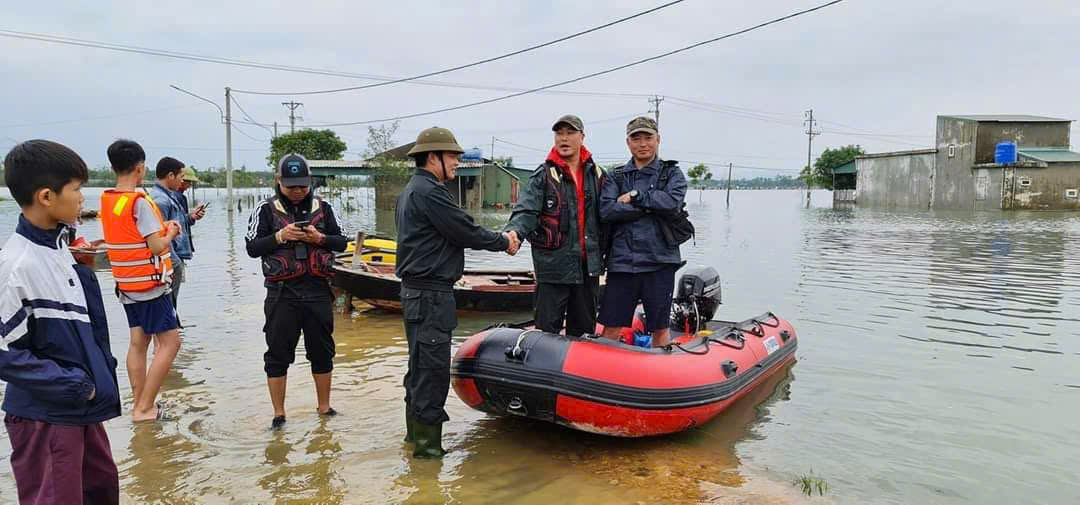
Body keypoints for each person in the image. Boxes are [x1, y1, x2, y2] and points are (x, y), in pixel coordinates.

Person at [1, 140, 121, 504]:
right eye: (77, 189)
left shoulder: (59, 249)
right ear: (46, 196)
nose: (84, 199)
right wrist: (74, 385)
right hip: (49, 415)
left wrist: (84, 269)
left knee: (100, 490)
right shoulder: (17, 264)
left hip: (82, 408)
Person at [395, 127, 517, 458]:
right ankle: (427, 455)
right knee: (431, 374)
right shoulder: (430, 191)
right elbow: (463, 229)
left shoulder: (413, 189)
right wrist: (503, 241)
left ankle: (414, 443)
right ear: (432, 157)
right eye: (453, 156)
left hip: (418, 294)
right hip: (430, 296)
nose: (458, 162)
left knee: (419, 369)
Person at [245, 153, 348, 430]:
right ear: (279, 181)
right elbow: (252, 247)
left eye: (302, 185)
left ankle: (324, 409)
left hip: (317, 291)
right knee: (277, 354)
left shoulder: (324, 208)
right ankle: (279, 414)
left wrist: (320, 238)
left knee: (323, 351)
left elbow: (342, 243)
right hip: (281, 294)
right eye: (291, 186)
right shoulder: (264, 210)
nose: (298, 191)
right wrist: (281, 236)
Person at [102, 139, 182, 422]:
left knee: (139, 341)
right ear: (140, 168)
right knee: (171, 342)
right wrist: (172, 231)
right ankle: (145, 408)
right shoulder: (139, 203)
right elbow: (156, 246)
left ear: (113, 167)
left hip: (126, 284)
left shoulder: (110, 200)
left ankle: (140, 404)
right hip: (150, 286)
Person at [505, 114, 606, 336]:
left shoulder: (597, 175)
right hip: (553, 269)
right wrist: (514, 234)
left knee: (582, 334)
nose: (564, 138)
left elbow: (610, 216)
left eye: (570, 133)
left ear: (582, 137)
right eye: (559, 133)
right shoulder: (542, 175)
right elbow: (526, 210)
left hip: (588, 269)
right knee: (545, 334)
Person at [598, 116, 687, 347]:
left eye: (648, 137)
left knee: (660, 328)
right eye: (636, 138)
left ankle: (662, 376)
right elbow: (607, 210)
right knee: (611, 326)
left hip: (660, 262)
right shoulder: (615, 175)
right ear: (628, 142)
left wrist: (635, 197)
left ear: (658, 140)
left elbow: (672, 203)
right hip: (621, 263)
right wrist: (649, 207)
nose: (643, 143)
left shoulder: (672, 174)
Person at [148, 157, 205, 312]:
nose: (182, 182)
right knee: (168, 310)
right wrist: (176, 264)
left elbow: (176, 224)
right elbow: (159, 236)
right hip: (169, 262)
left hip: (174, 259)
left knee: (170, 308)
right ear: (171, 176)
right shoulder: (160, 200)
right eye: (181, 177)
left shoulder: (170, 196)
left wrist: (191, 217)